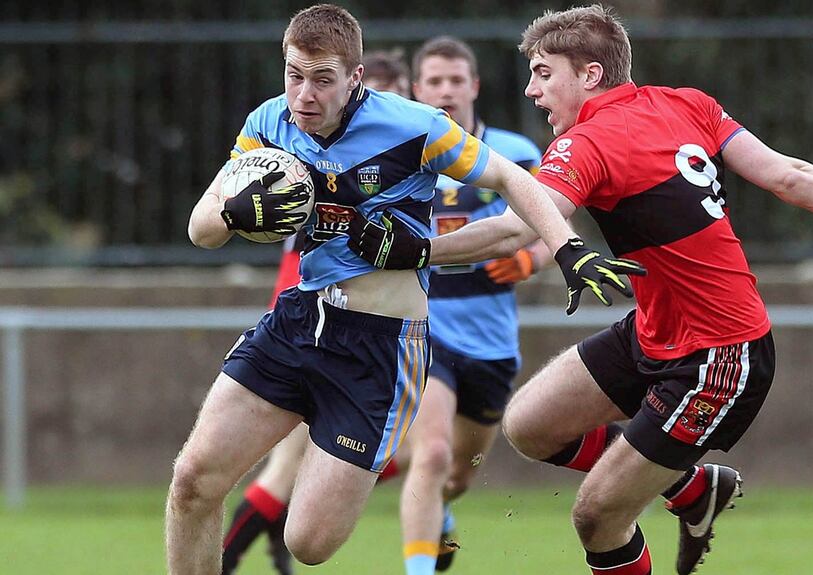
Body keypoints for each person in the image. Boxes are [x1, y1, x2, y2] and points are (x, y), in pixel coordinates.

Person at [347, 6, 813, 575]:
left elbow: (517, 226)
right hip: (656, 328)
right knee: (530, 425)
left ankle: (683, 493)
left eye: (543, 73)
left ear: (590, 74)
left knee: (596, 518)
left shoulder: (587, 142)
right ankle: (691, 490)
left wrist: (417, 250)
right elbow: (788, 176)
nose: (532, 90)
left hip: (720, 355)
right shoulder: (688, 102)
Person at [167, 5, 638, 574]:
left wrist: (565, 247)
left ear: (355, 77)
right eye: (295, 75)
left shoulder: (414, 126)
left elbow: (511, 179)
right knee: (193, 480)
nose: (305, 96)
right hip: (299, 322)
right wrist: (239, 212)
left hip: (380, 349)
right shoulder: (270, 123)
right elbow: (202, 229)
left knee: (308, 544)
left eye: (323, 79)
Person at [219, 49, 413, 575]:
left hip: (384, 328)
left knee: (407, 457)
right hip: (317, 316)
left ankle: (277, 539)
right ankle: (229, 556)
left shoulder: (404, 149)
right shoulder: (299, 149)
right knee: (283, 467)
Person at [398, 36, 549, 575]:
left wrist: (530, 261)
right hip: (424, 332)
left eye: (455, 80)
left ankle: (438, 520)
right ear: (417, 89)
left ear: (474, 87)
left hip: (492, 342)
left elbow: (554, 232)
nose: (445, 91)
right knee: (432, 454)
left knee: (458, 474)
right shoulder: (398, 156)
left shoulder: (516, 154)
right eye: (434, 81)